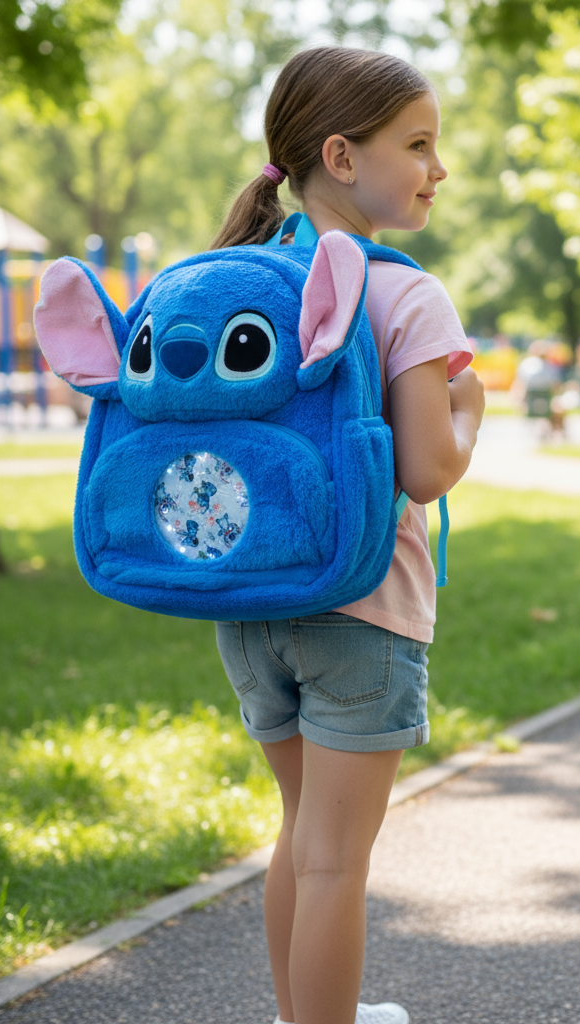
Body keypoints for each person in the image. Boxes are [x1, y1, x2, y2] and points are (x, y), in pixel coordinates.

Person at [209, 47, 485, 1024]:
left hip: (252, 602)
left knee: (301, 834)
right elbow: (427, 469)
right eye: (417, 144)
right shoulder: (403, 293)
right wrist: (470, 412)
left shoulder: (242, 281)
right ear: (339, 155)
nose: (437, 168)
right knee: (336, 858)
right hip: (364, 611)